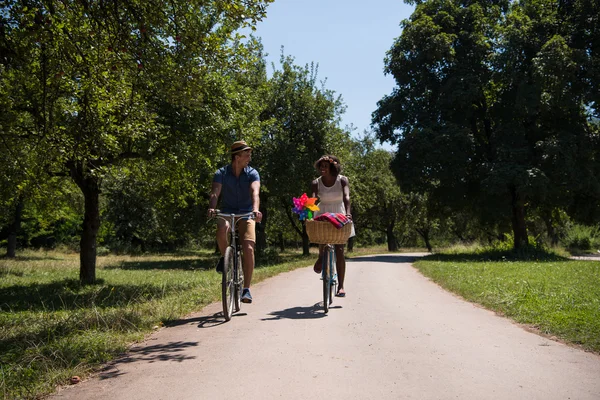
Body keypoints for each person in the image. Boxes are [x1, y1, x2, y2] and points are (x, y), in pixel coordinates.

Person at [208, 140, 263, 304]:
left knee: (248, 247)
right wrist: (212, 207)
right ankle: (226, 258)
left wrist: (255, 209)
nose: (249, 157)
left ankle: (246, 289)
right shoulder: (222, 173)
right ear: (237, 156)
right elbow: (215, 193)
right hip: (227, 211)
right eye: (246, 154)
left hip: (247, 212)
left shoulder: (252, 173)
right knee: (222, 229)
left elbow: (255, 192)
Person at [311, 155, 355, 297]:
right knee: (323, 239)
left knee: (339, 249)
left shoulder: (342, 180)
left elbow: (346, 197)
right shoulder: (316, 182)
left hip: (339, 212)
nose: (322, 169)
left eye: (326, 166)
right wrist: (309, 215)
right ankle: (321, 257)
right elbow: (312, 199)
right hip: (323, 211)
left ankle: (341, 286)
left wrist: (348, 214)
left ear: (332, 167)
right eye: (321, 166)